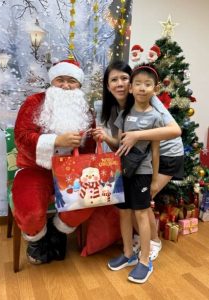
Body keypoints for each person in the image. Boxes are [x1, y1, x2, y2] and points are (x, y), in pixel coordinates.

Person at [92, 61, 184, 282]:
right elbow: (121, 144)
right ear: (107, 85)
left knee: (142, 208)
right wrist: (106, 137)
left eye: (124, 78)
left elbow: (171, 133)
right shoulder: (123, 111)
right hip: (127, 166)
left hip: (162, 158)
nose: (121, 84)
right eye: (114, 80)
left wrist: (138, 138)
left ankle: (148, 253)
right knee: (126, 210)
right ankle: (129, 253)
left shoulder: (153, 107)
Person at [12, 59, 97, 265]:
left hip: (71, 170)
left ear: (78, 84)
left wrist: (97, 138)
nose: (66, 85)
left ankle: (57, 232)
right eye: (60, 80)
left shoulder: (84, 109)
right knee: (30, 209)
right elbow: (21, 136)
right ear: (52, 81)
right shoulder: (34, 102)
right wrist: (56, 141)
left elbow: (88, 147)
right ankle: (37, 240)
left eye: (71, 81)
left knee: (88, 201)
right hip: (35, 167)